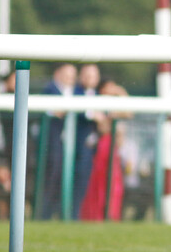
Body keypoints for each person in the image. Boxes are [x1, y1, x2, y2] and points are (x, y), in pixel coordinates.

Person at [79, 79, 131, 221]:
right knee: (100, 182)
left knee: (115, 183)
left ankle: (112, 214)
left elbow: (129, 113)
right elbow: (104, 126)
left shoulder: (115, 105)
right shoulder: (97, 104)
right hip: (103, 148)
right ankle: (97, 215)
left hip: (114, 149)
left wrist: (120, 93)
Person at [40, 62, 77, 219]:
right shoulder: (49, 90)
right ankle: (44, 215)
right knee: (51, 179)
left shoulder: (74, 91)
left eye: (72, 76)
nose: (70, 79)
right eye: (67, 75)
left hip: (65, 144)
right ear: (58, 74)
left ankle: (59, 214)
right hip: (52, 144)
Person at [73, 63, 102, 219]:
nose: (91, 79)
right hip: (75, 148)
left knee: (83, 185)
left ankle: (76, 216)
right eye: (88, 75)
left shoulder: (98, 94)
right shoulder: (75, 92)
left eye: (94, 76)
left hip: (90, 149)